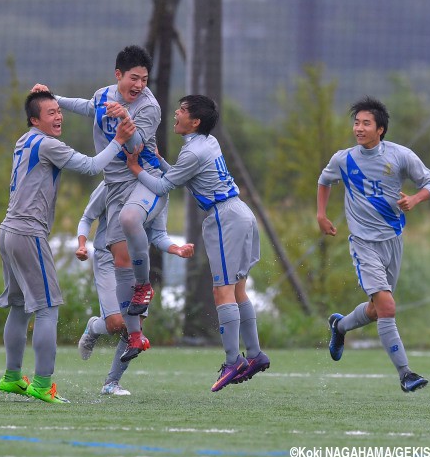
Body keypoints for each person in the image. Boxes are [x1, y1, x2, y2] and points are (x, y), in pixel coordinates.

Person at [0, 90, 135, 404]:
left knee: (19, 306)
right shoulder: (48, 144)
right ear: (35, 119)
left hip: (7, 232)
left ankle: (13, 377)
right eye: (50, 113)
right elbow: (89, 166)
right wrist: (119, 140)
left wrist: (46, 95)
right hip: (28, 233)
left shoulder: (25, 139)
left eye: (59, 111)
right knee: (47, 308)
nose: (58, 117)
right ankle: (43, 384)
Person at [125, 95, 270, 392]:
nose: (176, 113)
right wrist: (154, 159)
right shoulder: (206, 143)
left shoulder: (193, 152)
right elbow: (180, 174)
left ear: (195, 122)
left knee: (222, 291)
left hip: (224, 218)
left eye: (182, 110)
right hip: (239, 212)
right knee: (238, 288)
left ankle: (234, 360)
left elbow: (167, 185)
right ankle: (254, 354)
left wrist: (136, 168)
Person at [31, 45, 166, 363]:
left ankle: (142, 290)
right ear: (118, 75)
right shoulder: (104, 95)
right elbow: (89, 106)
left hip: (142, 179)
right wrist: (53, 99)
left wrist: (126, 120)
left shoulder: (150, 108)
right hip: (115, 186)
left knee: (133, 225)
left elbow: (137, 147)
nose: (140, 85)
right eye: (134, 78)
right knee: (119, 275)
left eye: (145, 80)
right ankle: (115, 333)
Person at [317, 96, 430, 393]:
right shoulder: (343, 159)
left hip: (392, 241)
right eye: (356, 123)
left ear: (380, 129)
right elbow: (324, 180)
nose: (358, 128)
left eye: (365, 123)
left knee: (376, 310)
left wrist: (414, 198)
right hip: (363, 243)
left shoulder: (400, 156)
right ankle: (406, 374)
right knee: (387, 306)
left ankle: (340, 326)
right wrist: (321, 214)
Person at [75, 180, 194, 395]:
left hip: (135, 263)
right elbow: (87, 217)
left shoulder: (159, 191)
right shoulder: (113, 181)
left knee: (135, 326)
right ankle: (94, 328)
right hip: (107, 258)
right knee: (116, 323)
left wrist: (176, 249)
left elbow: (158, 235)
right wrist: (82, 245)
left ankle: (111, 383)